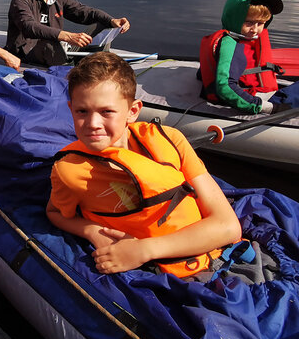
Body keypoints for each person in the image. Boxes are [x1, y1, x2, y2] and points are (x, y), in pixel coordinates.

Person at [47, 51, 241, 278]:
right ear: (71, 109)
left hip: (212, 256)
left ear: (132, 111)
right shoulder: (70, 170)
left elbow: (228, 226)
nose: (93, 123)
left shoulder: (171, 140)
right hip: (162, 275)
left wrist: (144, 250)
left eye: (106, 111)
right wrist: (92, 231)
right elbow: (55, 212)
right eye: (82, 111)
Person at [198, 0, 299, 114]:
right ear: (235, 18)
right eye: (249, 22)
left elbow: (213, 69)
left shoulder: (228, 38)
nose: (255, 29)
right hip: (264, 102)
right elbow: (225, 86)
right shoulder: (231, 45)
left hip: (255, 93)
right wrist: (265, 107)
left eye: (260, 23)